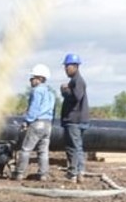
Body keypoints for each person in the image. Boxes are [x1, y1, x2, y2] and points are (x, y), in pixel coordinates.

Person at [14, 64, 56, 181]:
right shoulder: (51, 93)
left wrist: (26, 121)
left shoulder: (37, 91)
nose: (31, 80)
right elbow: (54, 109)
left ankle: (19, 173)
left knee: (26, 149)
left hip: (37, 123)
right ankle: (43, 174)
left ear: (40, 79)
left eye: (33, 78)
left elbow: (34, 108)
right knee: (43, 151)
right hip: (48, 124)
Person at [59, 52, 90, 183]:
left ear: (76, 66)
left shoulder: (77, 81)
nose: (66, 68)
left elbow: (75, 97)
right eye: (65, 66)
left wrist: (64, 91)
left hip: (74, 120)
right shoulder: (75, 81)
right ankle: (79, 173)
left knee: (73, 147)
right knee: (77, 146)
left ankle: (74, 172)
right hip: (77, 119)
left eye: (69, 66)